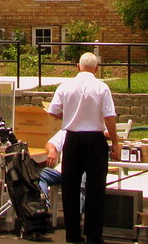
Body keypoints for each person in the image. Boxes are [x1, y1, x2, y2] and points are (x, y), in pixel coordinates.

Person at [47, 52, 120, 244]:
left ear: (78, 67)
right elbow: (109, 117)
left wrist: (70, 117)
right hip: (95, 140)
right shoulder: (101, 87)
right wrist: (115, 142)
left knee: (70, 188)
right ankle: (93, 235)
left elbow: (53, 111)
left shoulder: (66, 86)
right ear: (96, 68)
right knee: (95, 188)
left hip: (72, 139)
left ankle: (73, 235)